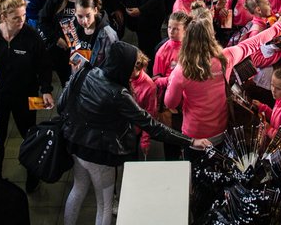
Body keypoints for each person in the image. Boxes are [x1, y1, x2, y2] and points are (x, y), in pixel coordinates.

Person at [60, 41, 208, 225]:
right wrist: (191, 141)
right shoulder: (119, 94)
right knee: (105, 205)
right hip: (99, 154)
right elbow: (152, 125)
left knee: (78, 189)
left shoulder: (86, 71)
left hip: (75, 143)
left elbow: (61, 104)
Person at [0, 0, 53, 185]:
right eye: (16, 18)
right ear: (3, 17)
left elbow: (44, 65)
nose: (22, 21)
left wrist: (46, 89)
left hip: (27, 97)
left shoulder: (32, 36)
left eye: (24, 16)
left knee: (30, 136)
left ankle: (33, 174)